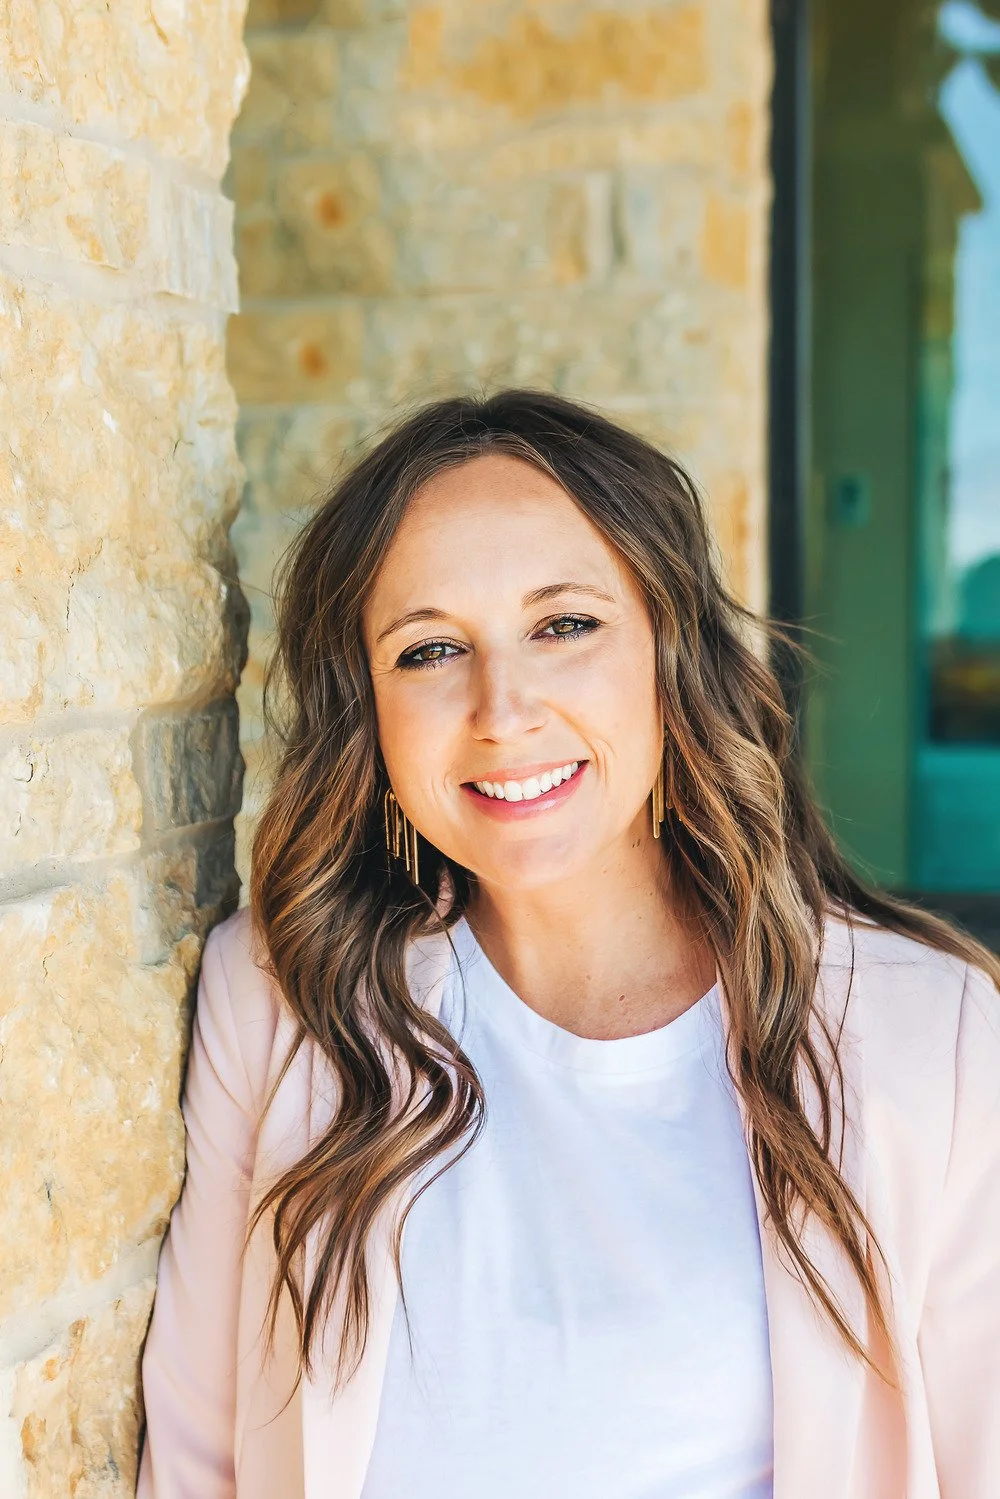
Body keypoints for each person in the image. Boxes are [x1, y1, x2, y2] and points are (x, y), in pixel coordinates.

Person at [136, 389, 1000, 1499]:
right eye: (431, 648)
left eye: (564, 625)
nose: (503, 706)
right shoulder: (280, 997)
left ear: (668, 656)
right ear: (371, 719)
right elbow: (198, 1458)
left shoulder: (929, 1032)